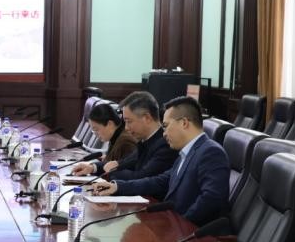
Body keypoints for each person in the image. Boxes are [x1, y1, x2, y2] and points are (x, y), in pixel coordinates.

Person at [91, 96, 230, 227]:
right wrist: (117, 187)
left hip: (195, 235)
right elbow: (159, 181)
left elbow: (211, 200)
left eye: (166, 126)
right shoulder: (186, 152)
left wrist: (180, 227)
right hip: (176, 226)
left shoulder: (211, 152)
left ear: (184, 123)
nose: (164, 133)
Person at [102, 91, 178, 182]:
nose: (126, 128)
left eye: (129, 121)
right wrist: (94, 167)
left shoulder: (165, 145)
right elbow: (123, 163)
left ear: (147, 118)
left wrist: (112, 172)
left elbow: (140, 177)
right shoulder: (145, 140)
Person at [71, 102, 137, 176]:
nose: (95, 134)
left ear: (109, 124)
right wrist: (92, 167)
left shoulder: (125, 142)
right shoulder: (116, 136)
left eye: (96, 129)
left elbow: (124, 173)